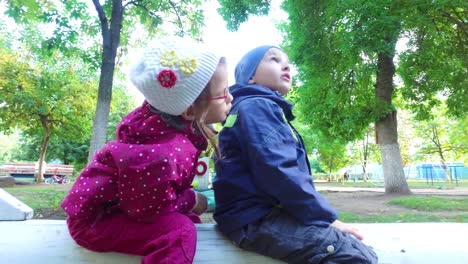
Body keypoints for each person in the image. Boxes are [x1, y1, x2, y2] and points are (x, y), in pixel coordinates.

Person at [61, 37, 232, 264]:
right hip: (96, 221)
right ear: (190, 110)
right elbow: (147, 211)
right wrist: (191, 199)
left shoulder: (165, 125)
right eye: (223, 93)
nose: (231, 97)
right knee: (179, 232)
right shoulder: (165, 153)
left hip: (120, 208)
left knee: (187, 222)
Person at [212, 46, 378, 263]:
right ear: (250, 76)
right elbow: (279, 170)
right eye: (274, 59)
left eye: (287, 61)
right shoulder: (257, 106)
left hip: (256, 215)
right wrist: (324, 218)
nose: (286, 65)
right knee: (353, 256)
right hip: (255, 219)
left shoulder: (253, 107)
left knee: (358, 247)